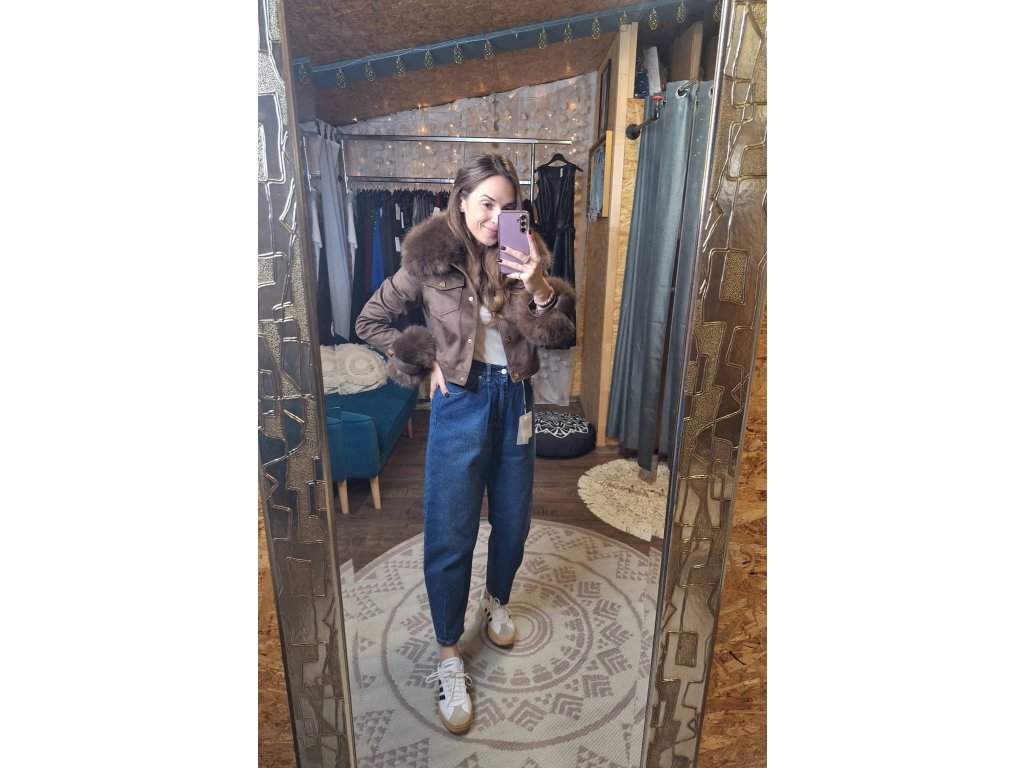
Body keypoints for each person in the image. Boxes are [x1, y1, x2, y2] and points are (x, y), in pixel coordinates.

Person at [355, 154, 576, 734]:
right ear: (460, 200)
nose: (496, 217)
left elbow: (559, 335)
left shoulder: (526, 255)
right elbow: (370, 320)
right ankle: (450, 652)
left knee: (514, 522)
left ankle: (496, 600)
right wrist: (425, 362)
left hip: (516, 399)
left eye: (508, 207)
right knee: (451, 531)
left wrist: (538, 285)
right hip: (460, 402)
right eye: (486, 204)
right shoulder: (428, 257)